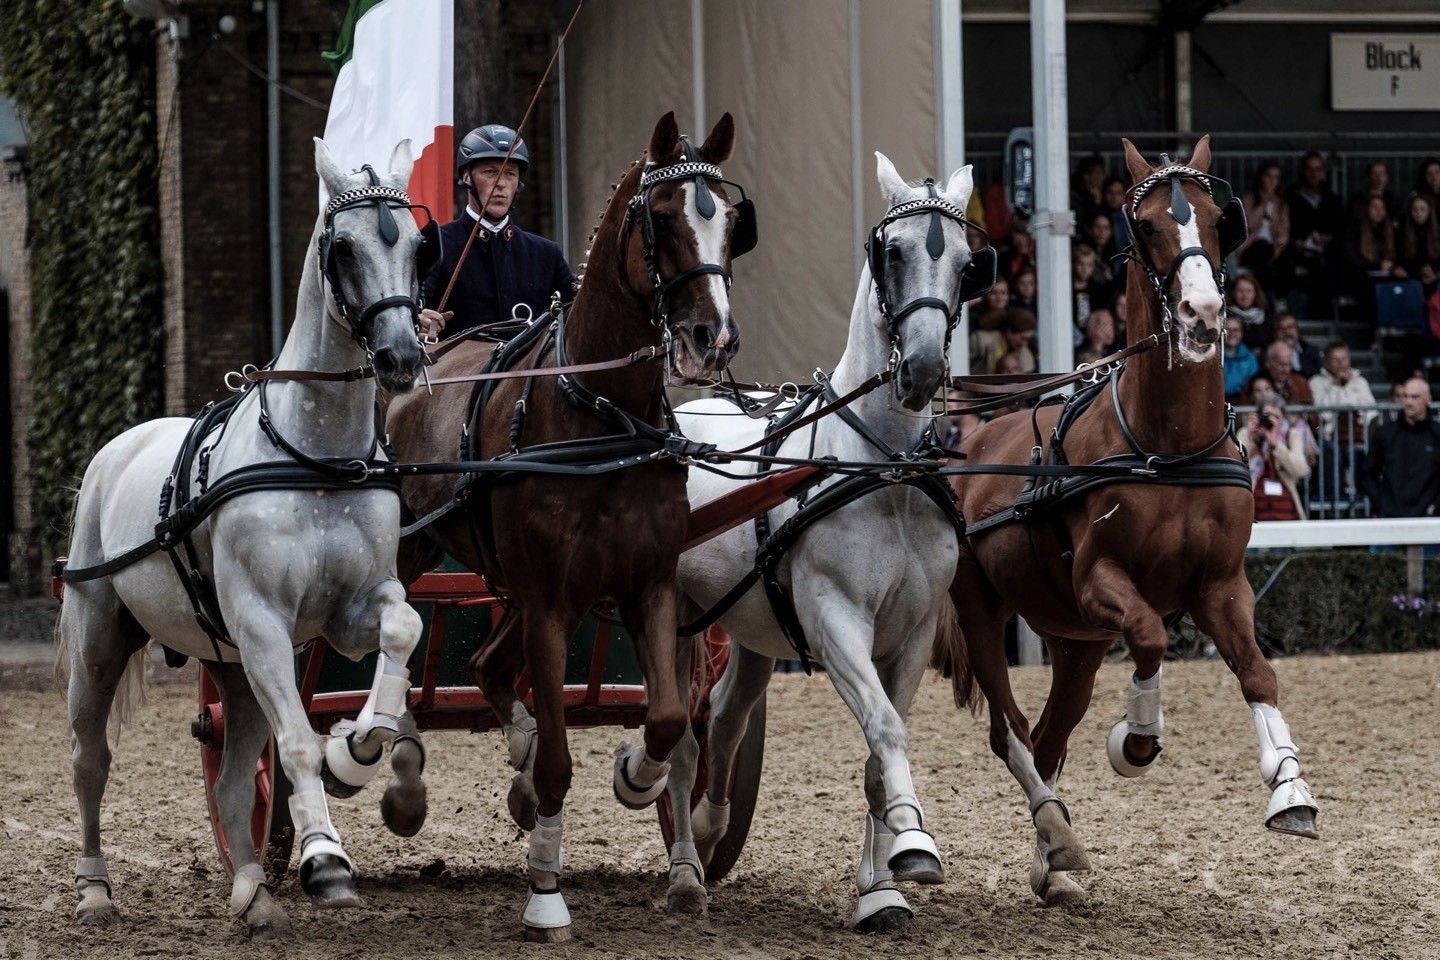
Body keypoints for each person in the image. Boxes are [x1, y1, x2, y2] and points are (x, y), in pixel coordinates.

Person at [419, 123, 577, 340]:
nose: (501, 184)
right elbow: (411, 315)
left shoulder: (547, 254)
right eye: (490, 172)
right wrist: (420, 320)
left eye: (510, 174)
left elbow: (577, 324)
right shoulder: (435, 244)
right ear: (467, 177)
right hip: (457, 371)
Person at [1308, 341, 1377, 507]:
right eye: (1335, 359)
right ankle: (1335, 499)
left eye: (1344, 358)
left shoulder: (1360, 382)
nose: (1341, 363)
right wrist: (1335, 387)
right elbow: (1322, 413)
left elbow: (1372, 412)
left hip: (1358, 435)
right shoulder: (1316, 382)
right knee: (1332, 451)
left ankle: (1363, 494)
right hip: (1328, 435)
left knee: (1360, 451)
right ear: (1326, 362)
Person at [1360, 377, 1440, 517]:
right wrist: (1381, 504)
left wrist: (1436, 506)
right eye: (1405, 396)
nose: (1408, 402)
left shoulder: (1437, 435)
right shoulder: (1385, 433)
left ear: (1428, 399)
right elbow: (1368, 472)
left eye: (1415, 397)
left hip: (1430, 520)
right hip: (1391, 517)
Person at [1285, 151, 1345, 319]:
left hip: (1325, 251)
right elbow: (1283, 226)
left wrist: (1328, 238)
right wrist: (1296, 241)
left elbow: (1341, 228)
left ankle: (1328, 313)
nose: (1314, 174)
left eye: (1318, 169)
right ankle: (1316, 314)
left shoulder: (1331, 199)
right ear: (1302, 171)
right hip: (1297, 250)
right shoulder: (1290, 197)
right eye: (1310, 169)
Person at [1238, 393, 1313, 521]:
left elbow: (1301, 470)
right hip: (1252, 515)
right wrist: (1251, 439)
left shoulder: (1291, 435)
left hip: (1286, 513)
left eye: (1276, 417)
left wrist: (1276, 446)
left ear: (1283, 419)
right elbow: (1235, 465)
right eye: (1267, 415)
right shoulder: (1246, 434)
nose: (1271, 420)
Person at [1237, 161, 1291, 296]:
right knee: (1262, 252)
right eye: (1269, 176)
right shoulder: (1249, 199)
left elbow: (1284, 230)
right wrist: (1263, 204)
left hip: (1273, 247)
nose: (1272, 181)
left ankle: (1279, 299)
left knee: (1286, 262)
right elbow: (1247, 224)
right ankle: (1264, 298)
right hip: (1251, 246)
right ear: (1261, 177)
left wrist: (1279, 246)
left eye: (1276, 177)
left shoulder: (1280, 204)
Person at [970, 308, 1037, 375]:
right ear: (1009, 331)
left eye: (1028, 339)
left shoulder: (1025, 354)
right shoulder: (982, 341)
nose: (1024, 343)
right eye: (1022, 338)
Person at [1396, 193, 1440, 288]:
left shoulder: (1437, 231)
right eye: (1414, 209)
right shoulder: (1402, 231)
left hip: (1435, 276)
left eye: (1422, 209)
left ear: (1429, 211)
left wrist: (1435, 274)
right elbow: (1401, 258)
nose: (1418, 213)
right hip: (1411, 277)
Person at [1228, 271, 1273, 352]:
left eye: (1249, 291)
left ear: (1255, 293)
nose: (1244, 295)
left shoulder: (1266, 316)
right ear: (1233, 293)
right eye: (1240, 291)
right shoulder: (1226, 315)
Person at [1271, 312, 1323, 379]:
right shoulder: (1268, 354)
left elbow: (1319, 375)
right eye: (1281, 329)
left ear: (1297, 329)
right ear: (1275, 333)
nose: (1287, 332)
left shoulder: (1312, 351)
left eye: (1290, 327)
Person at [1222, 314, 1259, 401]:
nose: (1232, 334)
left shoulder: (1250, 358)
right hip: (1218, 400)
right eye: (1228, 330)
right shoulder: (1214, 357)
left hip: (1243, 402)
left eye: (1236, 330)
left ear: (1241, 333)